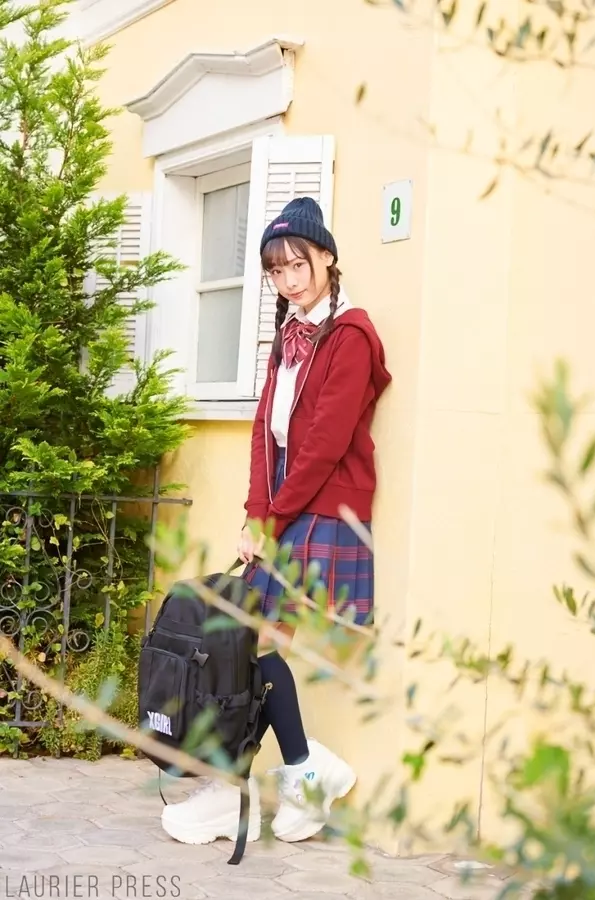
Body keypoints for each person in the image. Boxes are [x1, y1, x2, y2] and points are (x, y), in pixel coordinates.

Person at [161, 198, 391, 848]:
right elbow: (266, 431)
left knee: (255, 640)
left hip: (323, 503)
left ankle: (240, 785)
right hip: (290, 499)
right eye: (276, 270)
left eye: (298, 264)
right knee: (253, 643)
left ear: (327, 258)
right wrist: (254, 512)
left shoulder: (350, 336)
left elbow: (324, 443)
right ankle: (296, 773)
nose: (288, 280)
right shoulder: (288, 336)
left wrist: (274, 517)